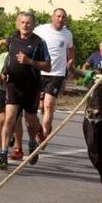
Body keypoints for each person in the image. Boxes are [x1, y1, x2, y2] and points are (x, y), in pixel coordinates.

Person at [0, 12, 50, 169]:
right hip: (13, 86)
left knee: (30, 120)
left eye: (29, 23)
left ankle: (32, 143)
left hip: (31, 87)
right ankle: (3, 153)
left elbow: (47, 65)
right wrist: (3, 73)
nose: (25, 25)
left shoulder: (39, 42)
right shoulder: (12, 39)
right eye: (23, 22)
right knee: (9, 119)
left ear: (33, 25)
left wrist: (29, 61)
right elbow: (9, 59)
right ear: (18, 24)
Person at [34, 8, 75, 139]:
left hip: (57, 73)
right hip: (40, 71)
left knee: (48, 105)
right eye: (58, 16)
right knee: (40, 105)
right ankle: (46, 124)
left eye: (63, 17)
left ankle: (44, 135)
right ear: (52, 17)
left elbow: (71, 49)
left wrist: (70, 64)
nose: (60, 19)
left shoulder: (67, 34)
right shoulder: (40, 29)